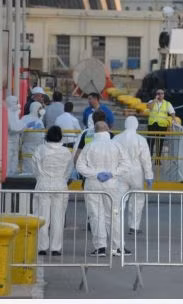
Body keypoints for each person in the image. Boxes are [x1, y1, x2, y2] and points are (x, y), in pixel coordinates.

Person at [76, 121, 132, 257]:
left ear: (95, 131)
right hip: (112, 184)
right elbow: (126, 164)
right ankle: (117, 247)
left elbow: (80, 166)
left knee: (96, 215)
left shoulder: (89, 146)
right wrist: (112, 173)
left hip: (93, 183)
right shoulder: (116, 145)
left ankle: (100, 247)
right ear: (107, 130)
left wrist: (95, 174)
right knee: (114, 214)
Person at [32, 126, 73, 256]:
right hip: (60, 184)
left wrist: (42, 178)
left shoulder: (40, 150)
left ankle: (42, 247)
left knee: (42, 217)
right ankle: (56, 248)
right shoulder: (66, 151)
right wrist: (62, 179)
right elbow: (68, 170)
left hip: (44, 184)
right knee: (58, 217)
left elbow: (35, 169)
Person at [113, 116, 153, 234]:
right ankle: (134, 227)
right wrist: (149, 176)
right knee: (137, 199)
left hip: (121, 172)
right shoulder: (140, 139)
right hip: (136, 173)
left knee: (119, 200)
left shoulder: (116, 138)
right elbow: (146, 160)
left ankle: (116, 225)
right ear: (136, 125)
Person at [147, 88, 176, 158]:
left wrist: (174, 120)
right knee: (151, 141)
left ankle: (158, 158)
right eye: (158, 93)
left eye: (161, 93)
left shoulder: (167, 103)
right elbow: (150, 108)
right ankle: (149, 157)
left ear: (164, 95)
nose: (160, 95)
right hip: (152, 124)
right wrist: (155, 100)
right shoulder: (151, 101)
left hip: (162, 125)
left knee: (160, 142)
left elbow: (172, 112)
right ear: (156, 95)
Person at [20, 102, 45, 174]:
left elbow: (42, 133)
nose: (41, 110)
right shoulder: (25, 118)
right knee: (28, 164)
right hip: (28, 145)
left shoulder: (39, 120)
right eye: (40, 108)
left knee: (35, 164)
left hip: (37, 146)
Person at [7, 96, 25, 176]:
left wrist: (21, 126)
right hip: (9, 141)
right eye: (15, 102)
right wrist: (22, 126)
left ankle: (12, 174)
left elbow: (18, 125)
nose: (17, 104)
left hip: (15, 140)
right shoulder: (8, 113)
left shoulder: (15, 113)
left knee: (14, 158)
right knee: (9, 158)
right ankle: (7, 175)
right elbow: (13, 128)